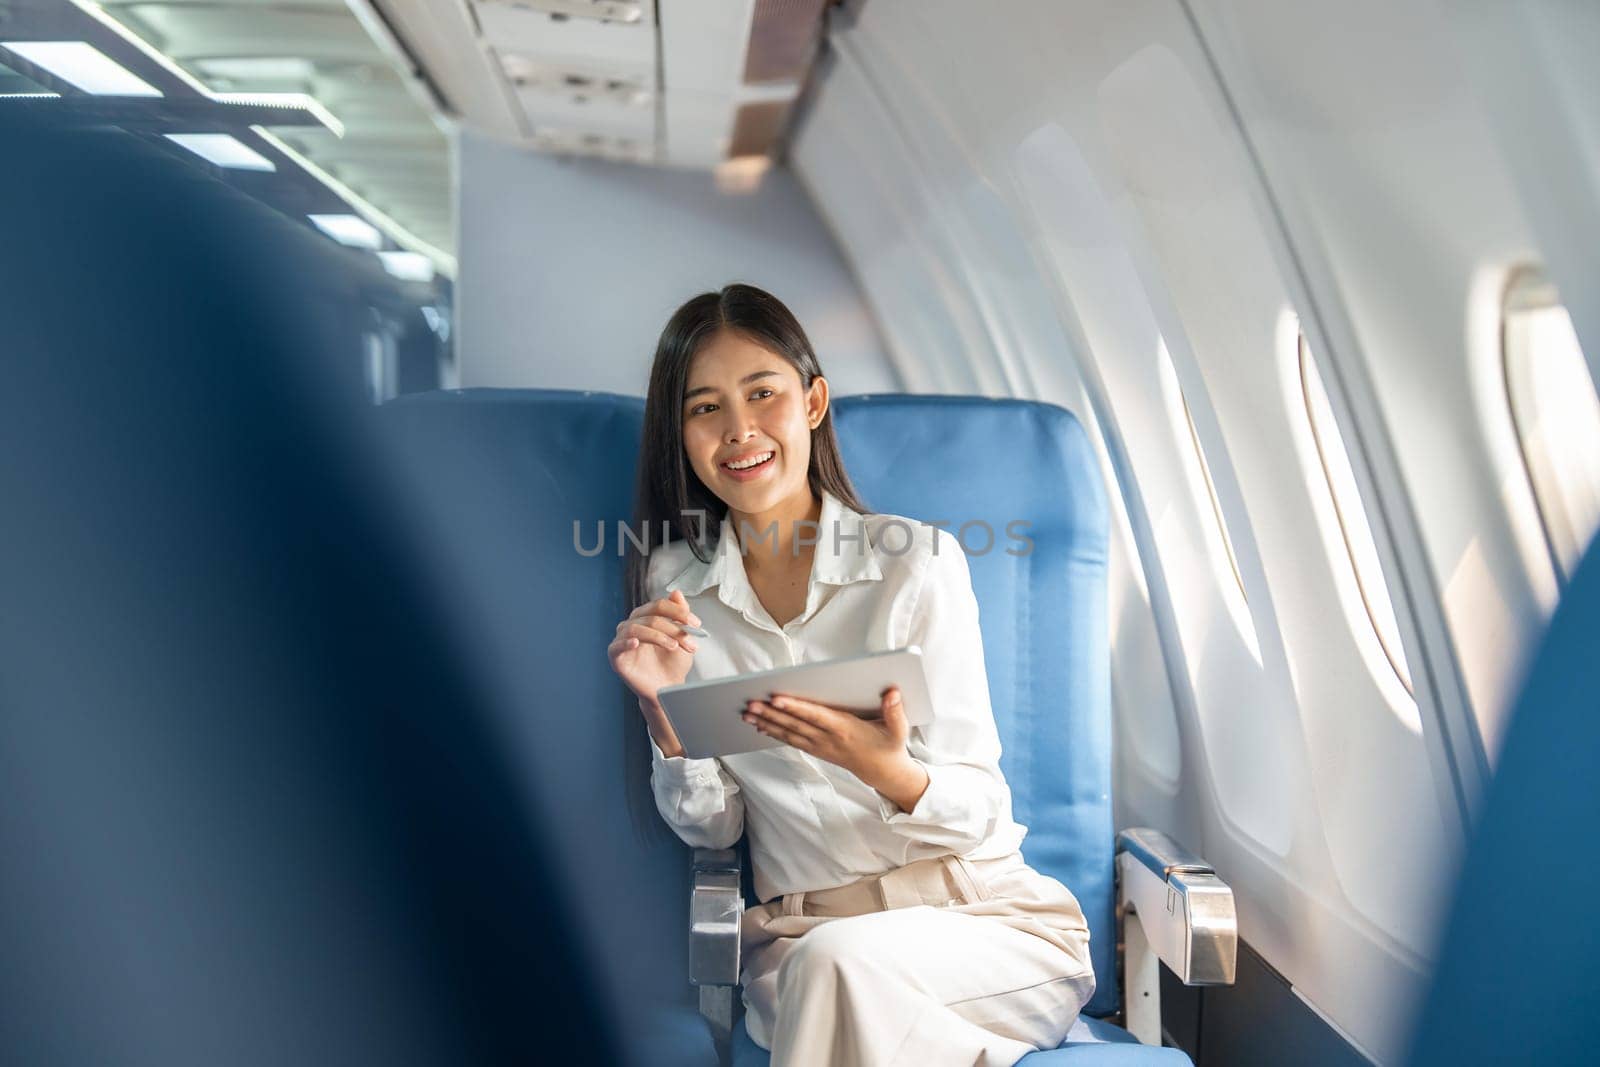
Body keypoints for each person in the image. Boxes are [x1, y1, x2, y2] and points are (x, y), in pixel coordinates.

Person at [608, 283, 1095, 1066]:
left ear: (812, 401)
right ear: (681, 434)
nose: (739, 431)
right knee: (836, 969)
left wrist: (892, 773)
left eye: (762, 393)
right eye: (705, 408)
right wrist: (666, 714)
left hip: (982, 924)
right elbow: (716, 827)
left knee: (842, 978)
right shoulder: (674, 585)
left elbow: (980, 802)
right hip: (803, 940)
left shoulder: (917, 564)